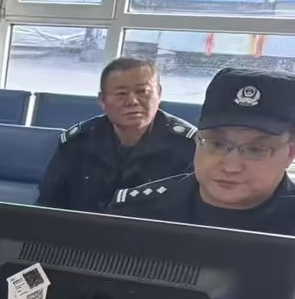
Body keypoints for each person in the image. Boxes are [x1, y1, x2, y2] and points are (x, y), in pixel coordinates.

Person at [112, 67, 295, 239]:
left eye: (255, 150)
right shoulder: (135, 214)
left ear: (290, 153)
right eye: (217, 144)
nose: (230, 166)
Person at [37, 56, 196, 212]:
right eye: (121, 93)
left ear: (159, 94)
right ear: (102, 100)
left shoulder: (189, 147)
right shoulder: (77, 142)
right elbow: (49, 205)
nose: (132, 101)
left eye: (142, 91)